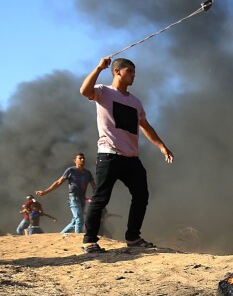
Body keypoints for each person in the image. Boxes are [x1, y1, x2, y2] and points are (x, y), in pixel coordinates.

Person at [79, 56, 173, 253]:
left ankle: (133, 237)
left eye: (134, 72)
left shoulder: (135, 102)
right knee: (101, 198)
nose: (133, 76)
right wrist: (98, 68)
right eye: (130, 71)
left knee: (141, 195)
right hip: (109, 154)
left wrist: (161, 146)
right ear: (117, 71)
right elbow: (84, 91)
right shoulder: (104, 92)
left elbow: (145, 126)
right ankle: (89, 240)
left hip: (131, 157)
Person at [36, 153, 95, 234]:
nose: (82, 160)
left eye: (83, 158)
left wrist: (97, 196)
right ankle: (79, 240)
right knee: (79, 219)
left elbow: (94, 186)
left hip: (82, 199)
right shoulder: (71, 171)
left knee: (75, 221)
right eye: (80, 158)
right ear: (75, 160)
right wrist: (45, 192)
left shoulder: (88, 173)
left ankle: (60, 235)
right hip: (73, 198)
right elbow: (58, 182)